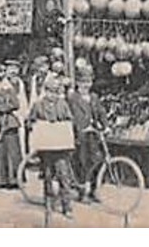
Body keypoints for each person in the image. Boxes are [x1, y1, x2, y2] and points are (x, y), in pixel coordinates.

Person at [27, 73, 78, 216]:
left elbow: (70, 120)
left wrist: (62, 125)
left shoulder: (62, 105)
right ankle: (48, 202)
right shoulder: (38, 105)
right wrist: (36, 125)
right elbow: (30, 120)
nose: (52, 95)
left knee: (64, 176)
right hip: (46, 148)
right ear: (45, 91)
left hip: (61, 148)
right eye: (49, 91)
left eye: (55, 92)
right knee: (48, 175)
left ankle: (66, 206)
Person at [67, 65, 108, 201]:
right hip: (81, 135)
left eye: (89, 82)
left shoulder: (94, 97)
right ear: (78, 83)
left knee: (98, 161)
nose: (86, 85)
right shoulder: (73, 98)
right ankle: (82, 192)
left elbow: (101, 112)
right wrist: (80, 129)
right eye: (83, 82)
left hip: (93, 134)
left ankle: (94, 190)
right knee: (83, 163)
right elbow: (73, 117)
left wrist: (105, 126)